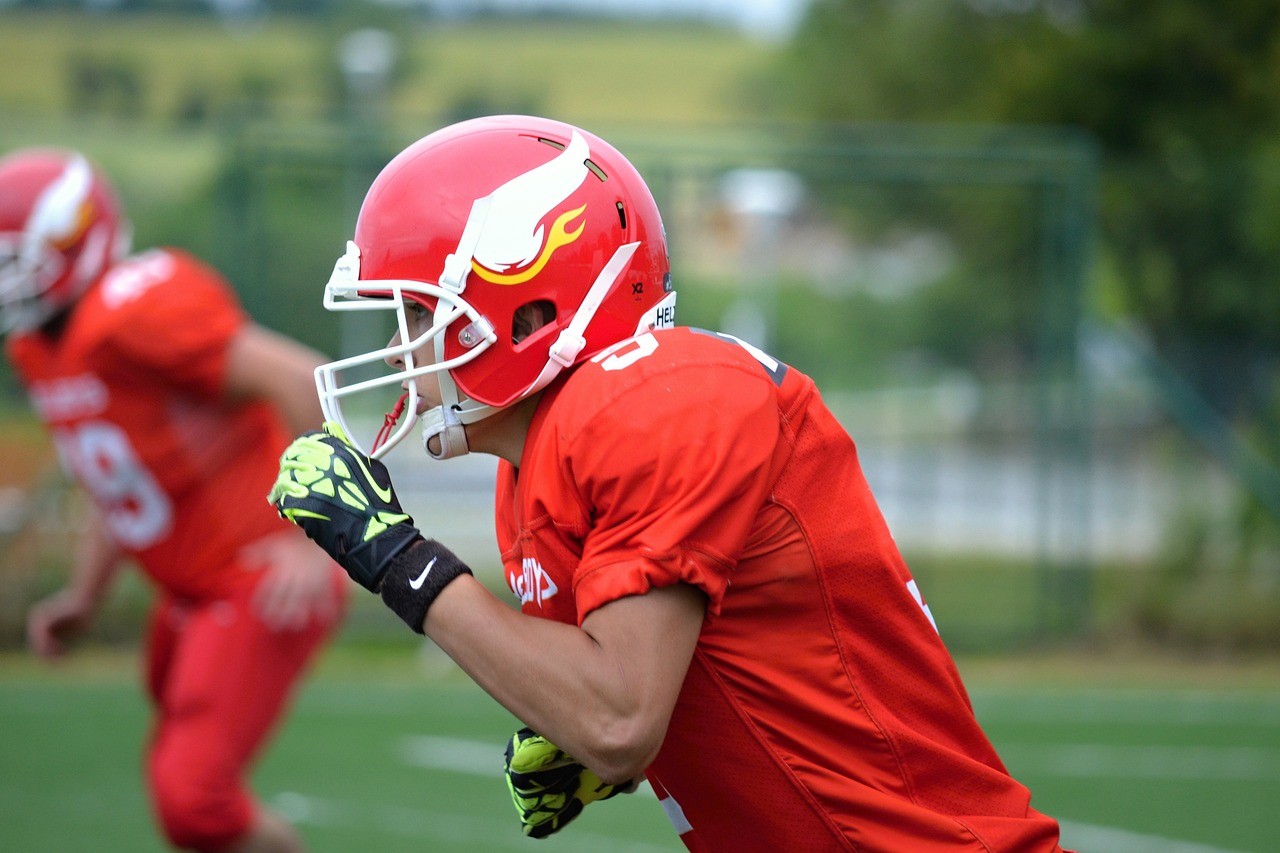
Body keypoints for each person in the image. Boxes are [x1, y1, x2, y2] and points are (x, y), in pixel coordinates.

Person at [270, 114, 1070, 852]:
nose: (404, 349)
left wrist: (397, 557)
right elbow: (636, 696)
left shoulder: (652, 400)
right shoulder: (532, 470)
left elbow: (618, 715)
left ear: (527, 305)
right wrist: (582, 742)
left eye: (418, 314)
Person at [0, 148, 349, 853]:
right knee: (183, 782)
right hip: (190, 590)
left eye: (19, 260)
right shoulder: (39, 348)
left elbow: (304, 380)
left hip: (261, 574)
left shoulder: (136, 311)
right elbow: (120, 480)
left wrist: (318, 536)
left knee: (192, 799)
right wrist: (85, 594)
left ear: (77, 238)